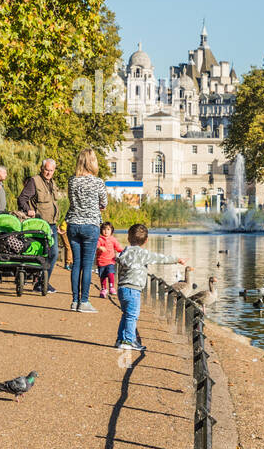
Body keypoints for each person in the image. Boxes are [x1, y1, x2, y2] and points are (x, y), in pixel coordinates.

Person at [113, 223, 185, 352]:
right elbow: (160, 258)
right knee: (132, 316)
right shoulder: (143, 254)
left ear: (128, 238)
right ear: (146, 240)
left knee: (126, 314)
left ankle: (120, 339)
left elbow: (117, 260)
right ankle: (128, 341)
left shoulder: (124, 252)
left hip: (122, 288)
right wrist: (177, 259)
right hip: (133, 289)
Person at [65, 148, 107, 312]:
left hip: (73, 224)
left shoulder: (72, 181)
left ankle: (74, 300)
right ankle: (84, 301)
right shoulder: (98, 182)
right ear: (92, 162)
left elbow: (72, 200)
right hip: (90, 225)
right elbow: (103, 203)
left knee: (76, 264)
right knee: (87, 265)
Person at [17, 158, 60, 291]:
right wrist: (28, 210)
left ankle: (42, 282)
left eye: (51, 170)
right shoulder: (34, 181)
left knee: (53, 254)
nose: (48, 173)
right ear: (42, 169)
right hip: (40, 224)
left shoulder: (52, 183)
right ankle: (41, 282)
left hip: (52, 224)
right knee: (49, 253)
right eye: (46, 170)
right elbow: (22, 198)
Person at [96, 222, 123, 299]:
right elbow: (96, 246)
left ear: (111, 231)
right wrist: (99, 248)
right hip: (101, 261)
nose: (106, 231)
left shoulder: (113, 239)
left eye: (108, 229)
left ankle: (112, 287)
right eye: (104, 229)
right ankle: (103, 289)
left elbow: (118, 248)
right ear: (101, 230)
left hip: (110, 261)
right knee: (102, 276)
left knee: (111, 273)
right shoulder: (100, 239)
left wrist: (124, 251)